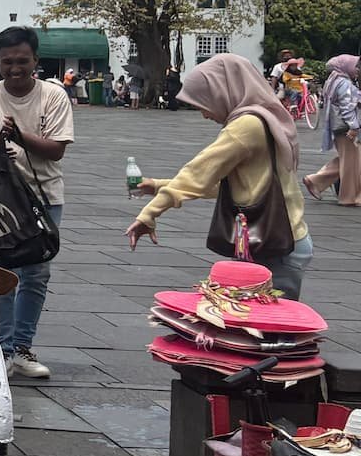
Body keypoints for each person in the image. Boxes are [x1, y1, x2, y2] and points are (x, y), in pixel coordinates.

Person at [128, 52, 312, 299]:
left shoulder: (246, 126)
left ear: (224, 91)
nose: (204, 113)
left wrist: (149, 214)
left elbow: (198, 173)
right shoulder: (266, 116)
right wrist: (159, 185)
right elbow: (236, 185)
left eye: (205, 102)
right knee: (261, 328)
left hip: (275, 244)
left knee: (269, 331)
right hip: (283, 238)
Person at [0, 26, 73, 378]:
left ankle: (22, 346)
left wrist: (20, 137)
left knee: (37, 272)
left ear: (35, 60)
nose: (15, 68)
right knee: (4, 271)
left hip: (44, 196)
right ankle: (1, 348)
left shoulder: (54, 97)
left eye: (22, 61)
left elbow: (56, 150)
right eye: (7, 61)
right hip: (0, 200)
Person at [305, 54, 361, 205]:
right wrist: (354, 126)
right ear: (345, 66)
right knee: (350, 163)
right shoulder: (344, 83)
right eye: (355, 65)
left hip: (340, 129)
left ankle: (316, 181)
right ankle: (348, 197)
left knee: (350, 160)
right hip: (346, 129)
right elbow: (346, 107)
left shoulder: (335, 81)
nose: (357, 69)